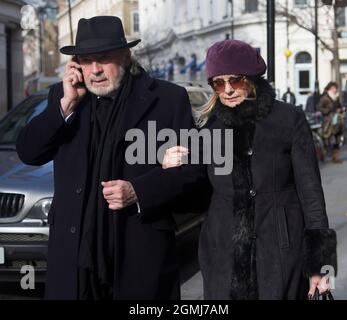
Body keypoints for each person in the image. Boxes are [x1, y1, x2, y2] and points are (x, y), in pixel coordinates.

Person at [16, 16, 205, 300]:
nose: (95, 70)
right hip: (74, 260)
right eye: (86, 60)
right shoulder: (64, 96)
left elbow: (195, 174)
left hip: (138, 258)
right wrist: (66, 105)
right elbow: (29, 152)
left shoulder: (167, 99)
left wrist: (139, 191)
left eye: (103, 59)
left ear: (126, 56)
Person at [162, 40, 337, 300]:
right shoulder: (210, 129)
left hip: (280, 251)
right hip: (222, 255)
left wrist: (320, 265)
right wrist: (172, 165)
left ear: (253, 78)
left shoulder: (288, 119)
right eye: (219, 83)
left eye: (236, 80)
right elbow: (197, 197)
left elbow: (311, 194)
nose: (228, 89)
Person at [317, 82, 344, 163]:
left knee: (337, 139)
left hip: (337, 121)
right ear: (329, 88)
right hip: (328, 122)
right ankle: (322, 154)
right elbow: (319, 107)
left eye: (335, 88)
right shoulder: (325, 97)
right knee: (327, 138)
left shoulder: (337, 97)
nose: (335, 90)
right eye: (333, 88)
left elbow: (340, 107)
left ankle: (335, 157)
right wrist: (328, 110)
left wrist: (340, 110)